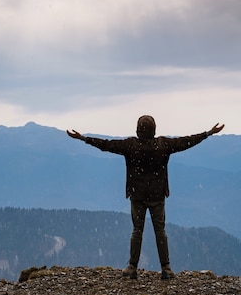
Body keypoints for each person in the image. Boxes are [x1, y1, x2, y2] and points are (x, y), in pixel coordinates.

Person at [66, 115, 224, 280]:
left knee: (137, 231)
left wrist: (83, 138)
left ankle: (132, 267)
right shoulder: (163, 145)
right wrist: (208, 133)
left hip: (137, 195)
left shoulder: (130, 145)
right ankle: (166, 268)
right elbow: (186, 142)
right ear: (154, 130)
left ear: (138, 129)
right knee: (160, 231)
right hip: (157, 195)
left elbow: (107, 145)